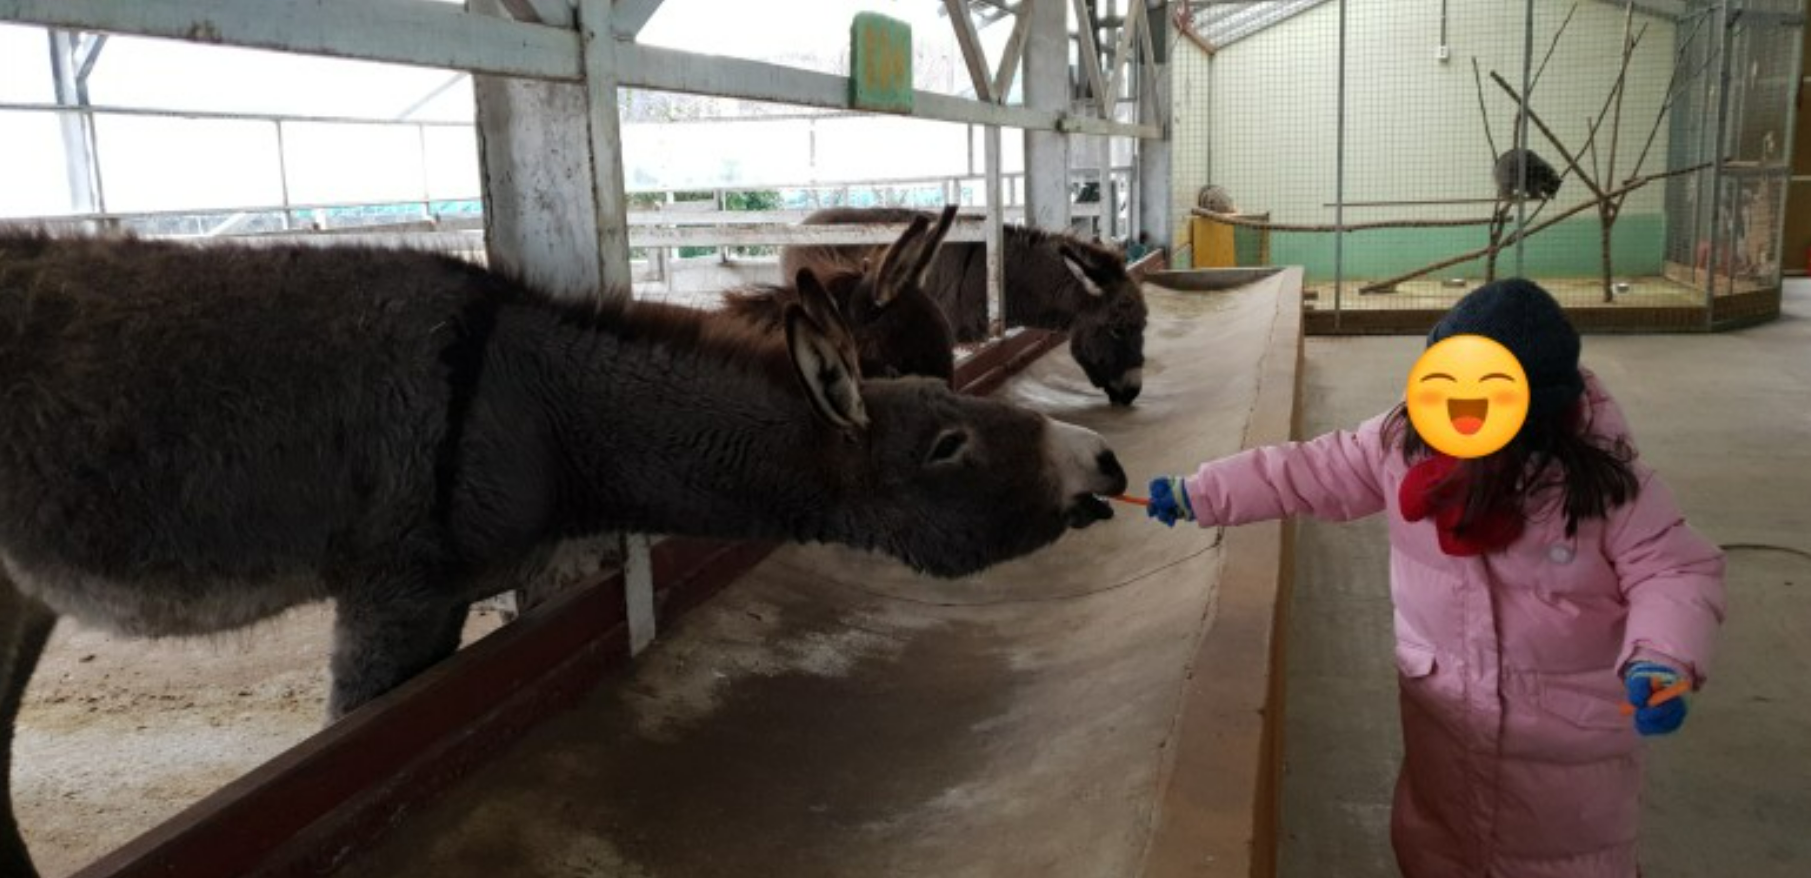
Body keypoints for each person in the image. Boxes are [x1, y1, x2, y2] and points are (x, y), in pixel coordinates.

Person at [1145, 279, 1725, 878]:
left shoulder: (1603, 488)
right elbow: (1309, 468)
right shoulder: (1405, 447)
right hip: (1446, 737)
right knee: (1440, 851)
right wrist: (1204, 492)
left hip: (1564, 772)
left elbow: (1675, 569)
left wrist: (1662, 657)